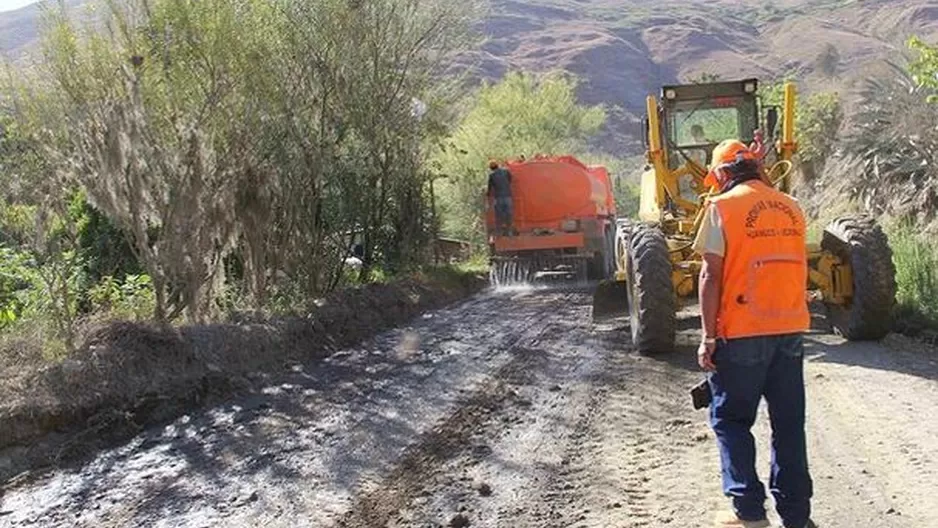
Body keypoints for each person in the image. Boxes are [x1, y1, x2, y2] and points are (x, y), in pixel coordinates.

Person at [693, 139, 814, 528]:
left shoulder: (721, 208)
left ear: (722, 174)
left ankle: (748, 512)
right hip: (789, 331)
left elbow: (711, 273)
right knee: (789, 425)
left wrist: (708, 336)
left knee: (730, 420)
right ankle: (796, 517)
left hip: (742, 333)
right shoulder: (791, 208)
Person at [487, 160, 514, 236]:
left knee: (499, 215)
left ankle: (499, 232)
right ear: (498, 165)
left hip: (499, 198)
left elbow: (490, 188)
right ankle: (509, 231)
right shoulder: (506, 171)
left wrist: (488, 197)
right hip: (508, 196)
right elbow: (510, 179)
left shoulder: (492, 175)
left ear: (491, 168)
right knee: (509, 214)